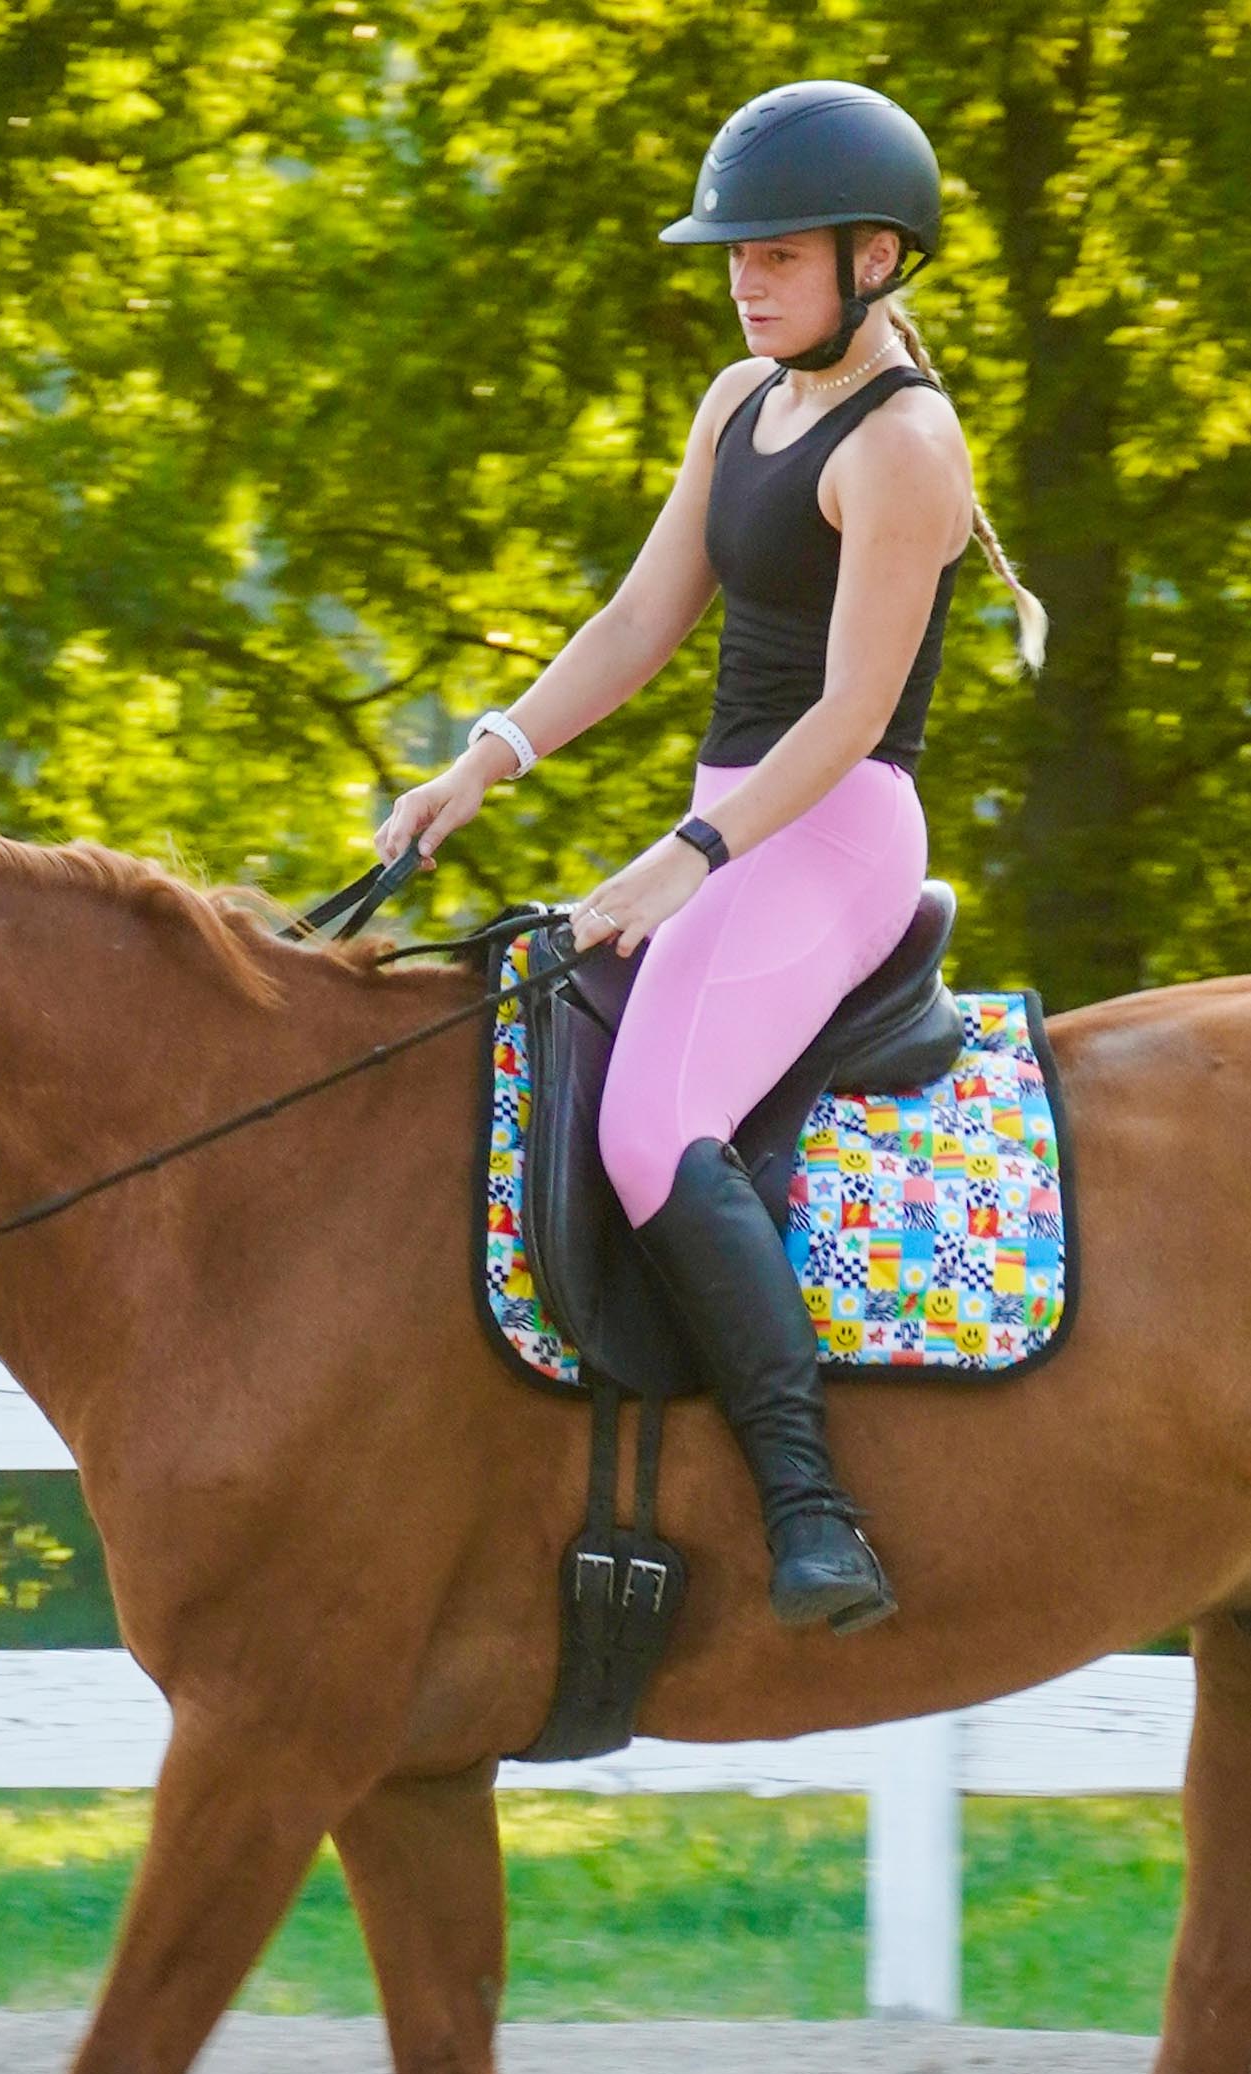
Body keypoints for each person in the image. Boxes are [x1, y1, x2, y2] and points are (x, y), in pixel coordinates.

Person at [375, 79, 1048, 1634]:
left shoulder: (904, 444)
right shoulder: (739, 404)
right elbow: (636, 620)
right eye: (730, 252)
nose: (741, 276)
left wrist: (683, 857)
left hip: (834, 829)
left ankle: (811, 1510)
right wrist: (487, 757)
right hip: (739, 821)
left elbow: (850, 713)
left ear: (873, 257)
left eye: (773, 252)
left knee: (644, 1126)